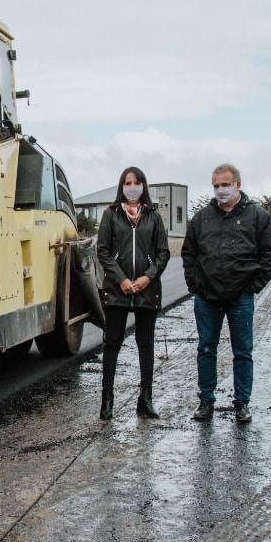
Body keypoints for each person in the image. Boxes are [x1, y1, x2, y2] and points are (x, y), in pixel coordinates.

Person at [182, 163, 271, 423]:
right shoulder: (202, 218)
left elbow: (270, 255)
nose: (220, 190)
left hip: (241, 297)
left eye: (225, 184)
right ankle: (206, 401)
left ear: (238, 184)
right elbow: (189, 254)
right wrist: (196, 285)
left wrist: (253, 286)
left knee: (243, 351)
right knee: (205, 348)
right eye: (216, 185)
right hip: (207, 297)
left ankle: (242, 403)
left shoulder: (258, 216)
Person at [96, 167, 170, 420]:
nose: (132, 187)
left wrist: (147, 277)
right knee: (112, 343)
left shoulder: (153, 216)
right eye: (128, 183)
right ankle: (107, 400)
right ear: (121, 186)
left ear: (143, 186)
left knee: (146, 344)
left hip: (147, 291)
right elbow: (103, 251)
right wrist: (122, 280)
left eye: (137, 182)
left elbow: (163, 253)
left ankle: (145, 400)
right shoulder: (110, 214)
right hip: (118, 291)